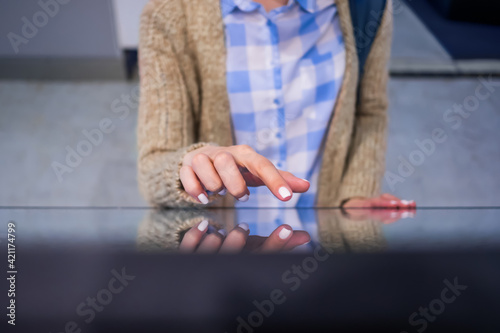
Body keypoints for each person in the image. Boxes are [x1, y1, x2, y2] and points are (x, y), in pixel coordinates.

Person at [137, 0, 416, 212]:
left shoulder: (367, 7)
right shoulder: (169, 13)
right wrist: (193, 166)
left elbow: (370, 111)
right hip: (222, 256)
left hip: (323, 248)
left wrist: (355, 195)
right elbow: (153, 167)